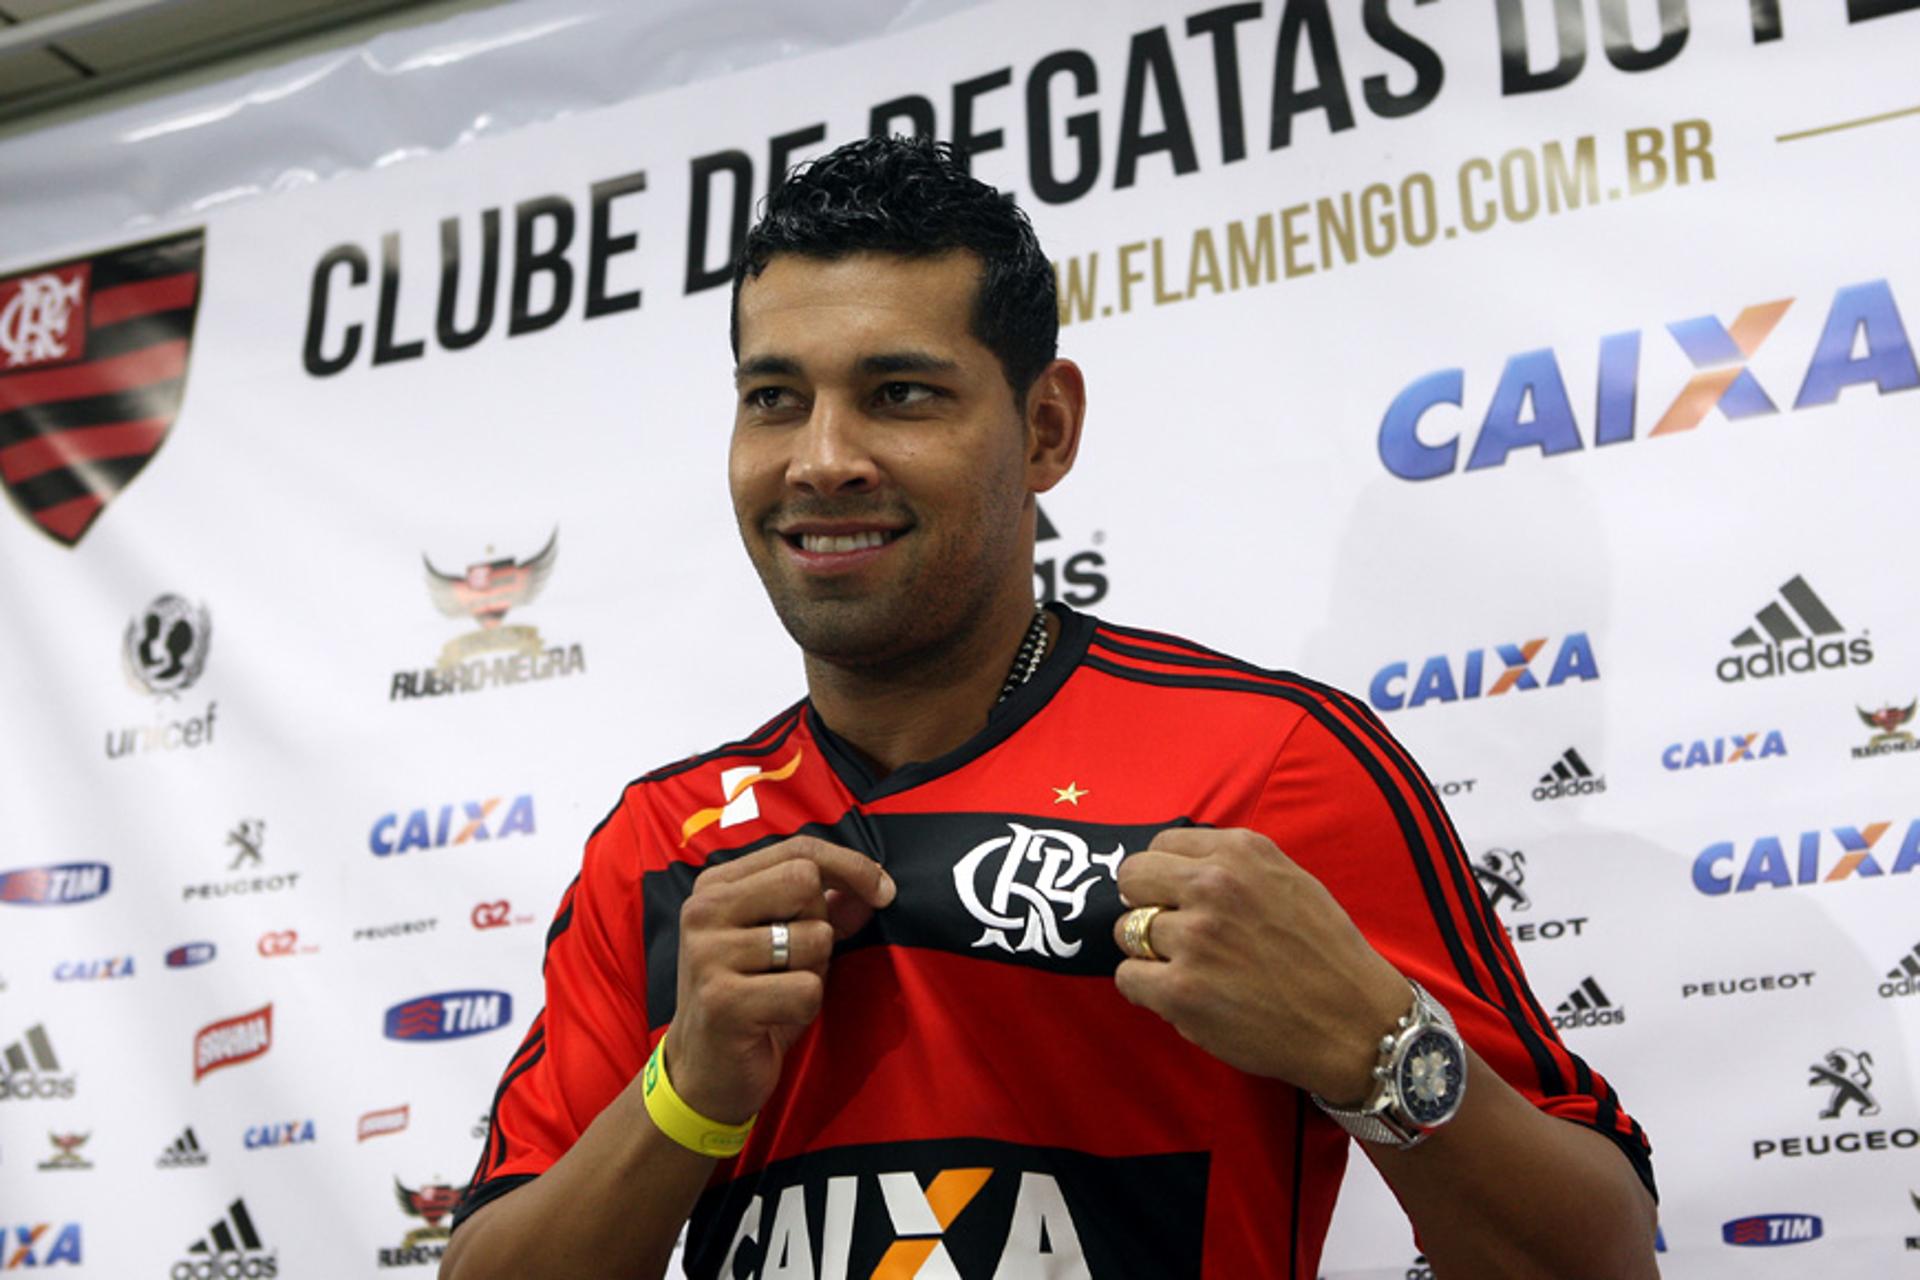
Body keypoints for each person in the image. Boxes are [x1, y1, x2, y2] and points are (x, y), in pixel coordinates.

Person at [440, 135, 1657, 1280]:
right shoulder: (660, 845)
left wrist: (1375, 1051)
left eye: (900, 393)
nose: (820, 458)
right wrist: (686, 1093)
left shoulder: (1273, 764)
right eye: (774, 397)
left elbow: (1598, 1253)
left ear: (1045, 427)